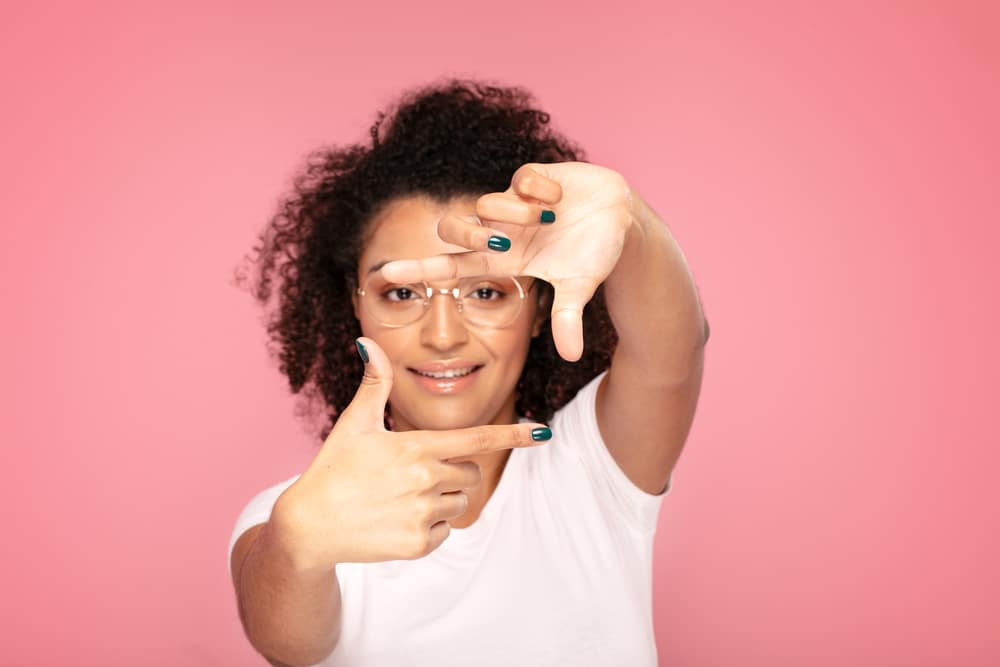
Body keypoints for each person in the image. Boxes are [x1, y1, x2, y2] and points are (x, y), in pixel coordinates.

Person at [228, 78, 709, 667]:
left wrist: (629, 225)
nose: (443, 334)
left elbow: (675, 349)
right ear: (354, 306)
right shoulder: (296, 517)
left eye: (484, 290)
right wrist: (298, 543)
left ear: (537, 307)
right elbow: (286, 641)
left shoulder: (593, 470)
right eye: (401, 291)